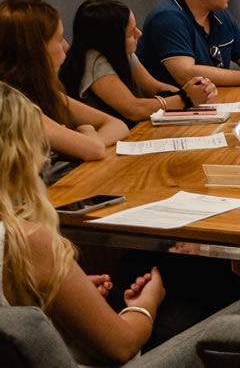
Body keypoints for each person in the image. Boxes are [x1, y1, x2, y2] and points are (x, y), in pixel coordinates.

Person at [0, 82, 165, 365]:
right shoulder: (28, 241)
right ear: (18, 157)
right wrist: (147, 304)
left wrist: (64, 291)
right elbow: (121, 345)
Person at [0, 0, 129, 183]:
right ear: (35, 49)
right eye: (59, 39)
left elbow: (117, 125)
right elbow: (95, 149)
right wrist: (86, 131)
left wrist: (81, 141)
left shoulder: (42, 90)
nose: (66, 46)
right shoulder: (12, 104)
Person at [59, 0, 217, 125]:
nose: (139, 34)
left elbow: (154, 87)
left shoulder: (122, 52)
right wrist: (185, 98)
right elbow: (133, 110)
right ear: (111, 39)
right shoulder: (94, 61)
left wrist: (197, 91)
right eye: (130, 33)